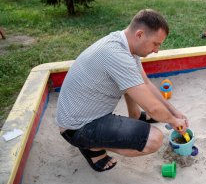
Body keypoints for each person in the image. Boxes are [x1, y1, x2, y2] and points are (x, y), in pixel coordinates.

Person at [56, 9, 188, 172]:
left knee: (134, 83)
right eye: (156, 43)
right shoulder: (116, 55)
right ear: (139, 34)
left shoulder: (124, 44)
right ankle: (92, 147)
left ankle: (135, 117)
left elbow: (145, 83)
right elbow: (152, 108)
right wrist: (173, 122)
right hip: (77, 127)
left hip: (82, 113)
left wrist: (174, 112)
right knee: (154, 139)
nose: (156, 50)